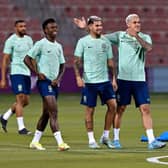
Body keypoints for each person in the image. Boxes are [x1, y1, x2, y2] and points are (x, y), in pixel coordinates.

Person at [73, 14, 166, 149]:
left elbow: (148, 48)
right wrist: (85, 28)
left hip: (139, 79)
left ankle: (152, 140)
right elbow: (99, 36)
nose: (138, 24)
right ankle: (116, 139)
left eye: (139, 22)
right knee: (120, 109)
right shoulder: (119, 36)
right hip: (123, 79)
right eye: (135, 22)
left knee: (145, 109)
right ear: (128, 24)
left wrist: (137, 37)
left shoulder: (145, 37)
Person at [24, 18, 70, 151]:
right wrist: (37, 73)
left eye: (55, 27)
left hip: (55, 84)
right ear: (45, 30)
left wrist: (59, 79)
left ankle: (35, 141)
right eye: (51, 27)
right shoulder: (41, 44)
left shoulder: (58, 46)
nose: (54, 29)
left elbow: (62, 65)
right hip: (44, 83)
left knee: (46, 113)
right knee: (54, 111)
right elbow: (27, 58)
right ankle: (60, 143)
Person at [74, 16, 117, 149]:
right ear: (90, 27)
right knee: (90, 110)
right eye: (97, 25)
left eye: (100, 25)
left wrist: (114, 78)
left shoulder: (106, 42)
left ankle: (105, 136)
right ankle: (91, 139)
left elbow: (110, 62)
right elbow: (76, 61)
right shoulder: (83, 41)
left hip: (105, 81)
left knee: (113, 106)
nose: (100, 27)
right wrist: (78, 77)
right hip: (90, 82)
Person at [0, 20, 33, 135]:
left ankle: (5, 116)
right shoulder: (11, 41)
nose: (23, 28)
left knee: (26, 101)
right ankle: (21, 128)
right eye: (21, 26)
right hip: (16, 72)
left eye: (24, 26)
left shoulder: (29, 40)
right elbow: (5, 59)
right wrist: (3, 78)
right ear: (15, 28)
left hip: (27, 73)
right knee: (19, 98)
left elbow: (31, 56)